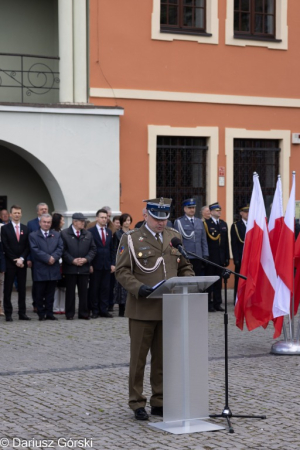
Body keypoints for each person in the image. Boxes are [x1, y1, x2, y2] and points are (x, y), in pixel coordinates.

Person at [115, 198, 194, 421]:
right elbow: (121, 271)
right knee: (138, 359)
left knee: (162, 359)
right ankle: (137, 402)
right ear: (146, 216)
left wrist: (187, 282)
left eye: (164, 218)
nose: (161, 222)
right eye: (157, 218)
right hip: (142, 308)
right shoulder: (131, 238)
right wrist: (139, 288)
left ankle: (159, 401)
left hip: (168, 308)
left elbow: (185, 266)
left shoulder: (172, 237)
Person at [61, 213, 97, 320]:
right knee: (70, 292)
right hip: (70, 268)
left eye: (83, 221)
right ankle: (70, 313)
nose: (83, 223)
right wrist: (72, 260)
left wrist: (86, 259)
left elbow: (93, 249)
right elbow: (63, 250)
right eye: (81, 221)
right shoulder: (64, 234)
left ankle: (83, 313)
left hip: (83, 268)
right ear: (74, 222)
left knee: (84, 292)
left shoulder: (88, 234)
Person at [29, 214, 64, 321]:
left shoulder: (57, 235)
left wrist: (54, 257)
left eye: (48, 222)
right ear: (40, 223)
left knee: (50, 293)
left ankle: (49, 313)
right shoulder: (33, 235)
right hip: (40, 268)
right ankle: (41, 313)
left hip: (53, 267)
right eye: (44, 222)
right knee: (39, 293)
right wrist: (47, 258)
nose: (46, 224)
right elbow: (34, 249)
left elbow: (60, 248)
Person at [1, 205, 30, 321]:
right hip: (10, 263)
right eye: (15, 213)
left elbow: (28, 246)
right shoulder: (5, 228)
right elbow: (5, 246)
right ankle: (8, 313)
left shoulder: (26, 228)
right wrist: (15, 259)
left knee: (22, 289)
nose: (17, 214)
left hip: (22, 264)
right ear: (10, 214)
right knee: (8, 289)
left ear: (21, 214)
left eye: (19, 212)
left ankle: (22, 313)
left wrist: (22, 259)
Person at [88, 209, 115, 318]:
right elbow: (89, 249)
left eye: (106, 217)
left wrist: (113, 263)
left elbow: (112, 249)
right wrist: (89, 264)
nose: (104, 219)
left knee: (105, 288)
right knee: (94, 288)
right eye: (102, 217)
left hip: (107, 264)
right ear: (97, 218)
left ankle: (103, 309)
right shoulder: (91, 231)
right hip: (95, 265)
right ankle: (95, 310)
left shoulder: (109, 232)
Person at [204, 202, 230, 312]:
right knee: (210, 282)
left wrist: (227, 257)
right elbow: (204, 242)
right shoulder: (206, 224)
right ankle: (209, 304)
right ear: (211, 212)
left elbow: (226, 243)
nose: (219, 212)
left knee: (219, 282)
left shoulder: (223, 224)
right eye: (216, 210)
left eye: (220, 210)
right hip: (210, 258)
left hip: (220, 258)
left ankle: (217, 303)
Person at [174, 198, 209, 276]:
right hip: (186, 256)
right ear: (184, 209)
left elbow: (203, 240)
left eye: (193, 208)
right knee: (187, 277)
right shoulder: (179, 222)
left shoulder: (199, 222)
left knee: (198, 279)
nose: (192, 210)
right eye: (189, 208)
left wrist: (205, 254)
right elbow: (178, 239)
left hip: (198, 255)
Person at [27, 202, 49, 312]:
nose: (44, 210)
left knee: (48, 282)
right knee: (37, 282)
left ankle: (47, 304)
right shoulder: (31, 224)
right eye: (42, 209)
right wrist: (29, 258)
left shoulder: (50, 222)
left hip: (50, 258)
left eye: (45, 209)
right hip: (36, 258)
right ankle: (36, 303)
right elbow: (28, 243)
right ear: (37, 211)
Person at [113, 213, 132, 317]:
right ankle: (121, 309)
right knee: (120, 286)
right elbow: (115, 249)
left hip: (131, 261)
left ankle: (129, 308)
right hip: (121, 260)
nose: (127, 222)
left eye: (128, 220)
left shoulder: (133, 233)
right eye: (125, 220)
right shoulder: (117, 234)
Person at [230, 204, 249, 302]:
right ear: (241, 213)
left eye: (248, 212)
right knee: (239, 279)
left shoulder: (254, 224)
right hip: (241, 257)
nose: (247, 214)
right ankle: (237, 299)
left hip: (251, 257)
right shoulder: (236, 226)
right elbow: (234, 243)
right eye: (245, 212)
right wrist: (236, 258)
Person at [51, 213, 66, 314]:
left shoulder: (62, 232)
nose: (63, 222)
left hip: (63, 262)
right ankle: (55, 307)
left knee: (63, 286)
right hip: (55, 261)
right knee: (55, 287)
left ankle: (62, 306)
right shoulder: (52, 233)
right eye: (62, 220)